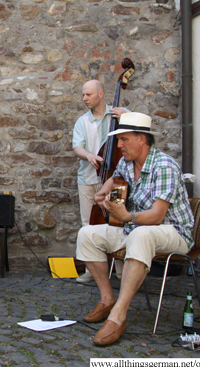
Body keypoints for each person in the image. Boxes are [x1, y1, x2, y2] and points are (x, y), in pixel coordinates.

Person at [76, 112, 194, 346]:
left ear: (142, 139)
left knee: (141, 233)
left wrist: (127, 216)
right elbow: (117, 176)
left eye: (124, 139)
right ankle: (107, 298)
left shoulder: (165, 165)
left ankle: (119, 314)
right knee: (87, 233)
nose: (119, 145)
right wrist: (102, 193)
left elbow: (157, 215)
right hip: (136, 228)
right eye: (119, 140)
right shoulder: (127, 161)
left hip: (173, 231)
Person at [73, 79, 127, 283]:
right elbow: (77, 146)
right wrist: (89, 156)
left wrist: (128, 117)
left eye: (89, 94)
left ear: (101, 94)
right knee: (88, 224)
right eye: (83, 95)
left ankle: (121, 271)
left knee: (117, 222)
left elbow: (140, 130)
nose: (85, 98)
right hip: (88, 177)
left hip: (116, 179)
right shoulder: (82, 121)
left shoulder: (119, 113)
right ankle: (92, 271)